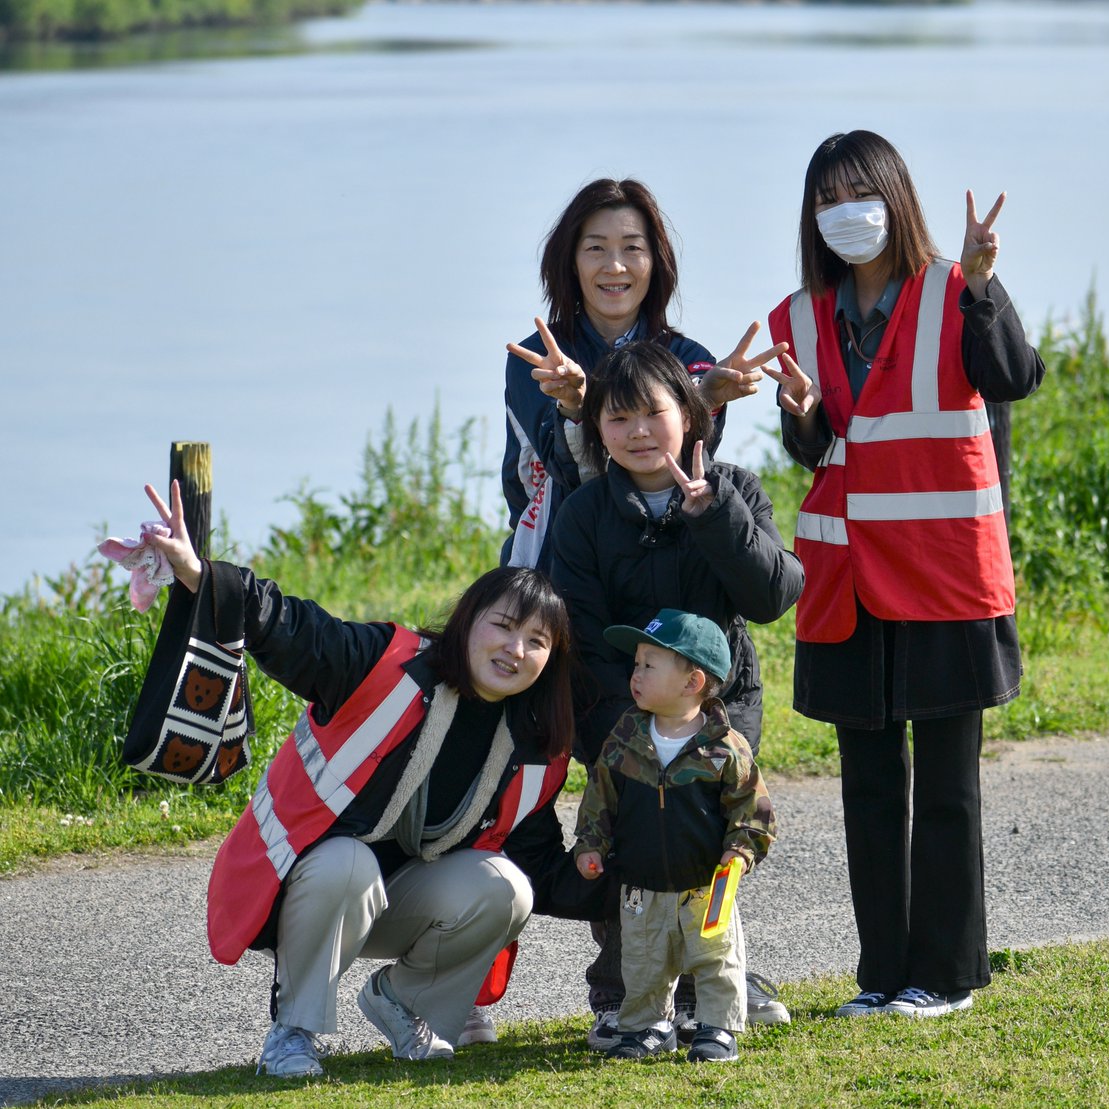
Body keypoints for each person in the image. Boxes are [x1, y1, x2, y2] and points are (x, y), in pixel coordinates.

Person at [133, 481, 610, 1076]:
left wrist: (647, 874)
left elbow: (543, 868)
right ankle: (293, 1032)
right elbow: (292, 626)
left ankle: (402, 1005)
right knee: (347, 863)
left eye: (536, 641)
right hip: (313, 889)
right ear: (466, 623)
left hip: (405, 903)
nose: (515, 649)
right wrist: (199, 574)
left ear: (551, 660)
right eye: (503, 626)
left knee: (507, 886)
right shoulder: (381, 662)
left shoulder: (536, 746)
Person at [762, 130, 1046, 1019]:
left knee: (950, 788)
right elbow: (819, 447)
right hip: (847, 575)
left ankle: (949, 975)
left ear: (894, 194)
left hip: (945, 572)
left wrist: (985, 285)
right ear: (813, 215)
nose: (845, 209)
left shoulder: (956, 289)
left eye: (860, 189)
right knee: (870, 785)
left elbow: (1014, 377)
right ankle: (881, 973)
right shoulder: (797, 317)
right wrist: (801, 419)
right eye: (826, 196)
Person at [550, 341, 805, 1046]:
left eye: (652, 412)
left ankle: (712, 980)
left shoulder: (736, 489)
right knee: (627, 842)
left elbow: (774, 594)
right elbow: (579, 627)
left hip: (720, 709)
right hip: (618, 710)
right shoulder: (584, 513)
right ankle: (622, 990)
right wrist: (639, 709)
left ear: (689, 415)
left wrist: (714, 515)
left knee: (712, 841)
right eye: (616, 416)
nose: (635, 431)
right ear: (596, 429)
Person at [502, 177, 780, 571]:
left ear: (656, 261)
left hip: (665, 566)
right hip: (556, 564)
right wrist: (572, 405)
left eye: (632, 248)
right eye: (595, 248)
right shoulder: (538, 361)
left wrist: (707, 401)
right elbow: (572, 477)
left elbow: (683, 475)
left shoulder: (690, 359)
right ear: (570, 262)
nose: (614, 266)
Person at [574, 609, 775, 1064]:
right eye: (636, 664)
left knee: (715, 958)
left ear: (693, 683)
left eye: (649, 664)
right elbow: (599, 798)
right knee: (643, 962)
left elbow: (753, 810)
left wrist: (740, 852)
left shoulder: (725, 746)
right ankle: (646, 1026)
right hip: (641, 884)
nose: (635, 674)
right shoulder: (625, 737)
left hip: (707, 885)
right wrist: (591, 844)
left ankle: (717, 1028)